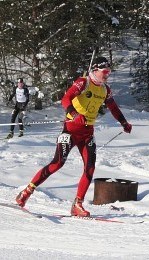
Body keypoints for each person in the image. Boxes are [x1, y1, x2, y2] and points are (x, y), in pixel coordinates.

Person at [15, 57, 132, 217]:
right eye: (105, 72)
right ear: (95, 70)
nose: (107, 75)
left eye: (109, 73)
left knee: (89, 168)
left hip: (87, 133)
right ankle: (27, 191)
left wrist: (124, 122)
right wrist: (75, 113)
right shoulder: (83, 82)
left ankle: (77, 204)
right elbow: (66, 98)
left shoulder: (105, 90)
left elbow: (113, 107)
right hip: (70, 131)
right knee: (57, 164)